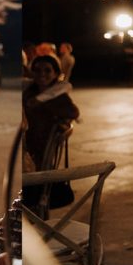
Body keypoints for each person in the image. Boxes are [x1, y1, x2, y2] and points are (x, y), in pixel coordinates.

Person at [22, 55, 79, 210]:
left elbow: (73, 112)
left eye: (47, 70)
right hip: (26, 146)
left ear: (55, 73)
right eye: (37, 70)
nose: (42, 74)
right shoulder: (28, 91)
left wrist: (61, 124)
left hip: (40, 151)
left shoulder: (58, 97)